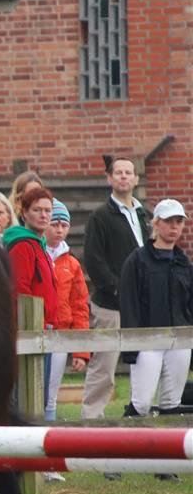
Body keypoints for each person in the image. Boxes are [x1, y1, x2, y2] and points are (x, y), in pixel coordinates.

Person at [119, 199, 193, 482]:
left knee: (171, 402)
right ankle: (113, 454)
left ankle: (166, 463)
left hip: (180, 340)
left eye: (179, 222)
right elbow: (129, 303)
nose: (174, 227)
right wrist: (132, 346)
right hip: (147, 339)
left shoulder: (183, 262)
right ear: (156, 223)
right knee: (141, 402)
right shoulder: (137, 260)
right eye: (169, 221)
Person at [82, 157, 152, 420]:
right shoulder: (100, 216)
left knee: (144, 362)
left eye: (128, 172)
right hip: (110, 304)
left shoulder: (145, 215)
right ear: (109, 179)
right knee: (104, 364)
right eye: (118, 172)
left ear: (136, 179)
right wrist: (117, 289)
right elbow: (93, 259)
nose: (124, 176)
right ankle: (92, 418)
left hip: (142, 304)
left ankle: (139, 413)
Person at [3, 187, 58, 412]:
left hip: (45, 330)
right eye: (37, 210)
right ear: (24, 212)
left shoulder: (39, 245)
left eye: (47, 210)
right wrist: (28, 327)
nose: (44, 215)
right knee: (27, 399)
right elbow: (19, 290)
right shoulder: (22, 246)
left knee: (40, 399)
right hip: (29, 330)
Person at [44, 199, 89, 427]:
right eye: (55, 224)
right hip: (36, 330)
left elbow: (80, 306)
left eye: (64, 225)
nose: (59, 229)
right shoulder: (34, 253)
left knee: (51, 393)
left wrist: (81, 351)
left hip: (61, 335)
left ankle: (48, 430)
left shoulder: (72, 264)